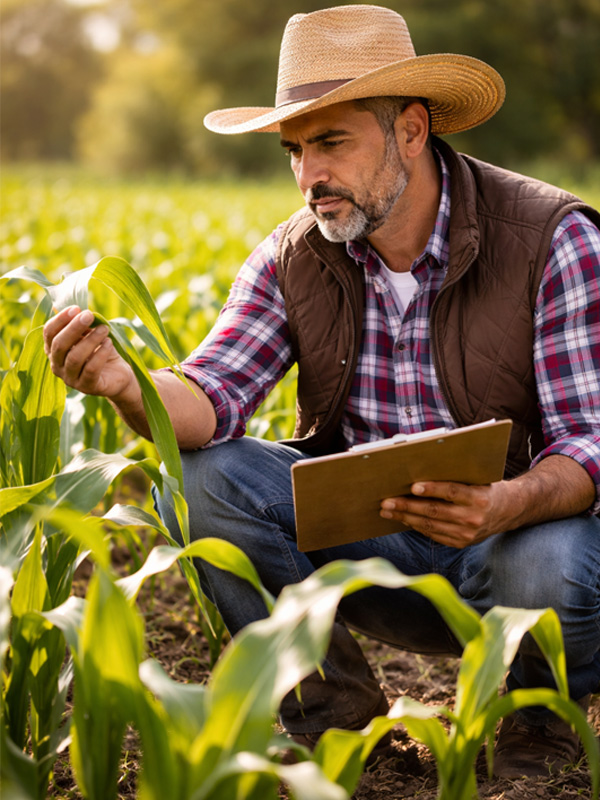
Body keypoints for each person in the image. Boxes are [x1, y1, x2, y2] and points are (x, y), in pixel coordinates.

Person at [43, 4, 600, 781]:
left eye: (331, 142)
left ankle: (539, 724)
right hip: (372, 555)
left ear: (411, 129)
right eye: (295, 150)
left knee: (558, 558)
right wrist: (124, 386)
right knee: (198, 480)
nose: (309, 176)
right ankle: (336, 718)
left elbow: (589, 443)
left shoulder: (549, 238)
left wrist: (504, 504)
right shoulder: (293, 257)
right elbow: (209, 398)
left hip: (511, 557)